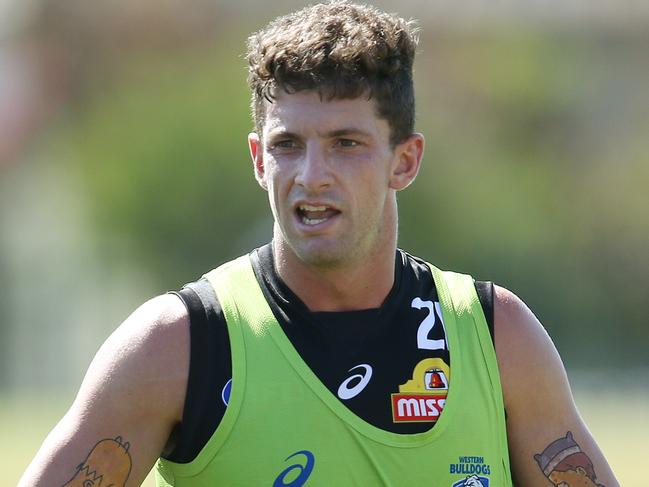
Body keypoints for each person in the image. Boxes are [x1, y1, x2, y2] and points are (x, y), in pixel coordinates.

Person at [20, 2, 619, 486]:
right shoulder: (176, 347)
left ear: (404, 161)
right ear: (258, 159)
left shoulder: (496, 337)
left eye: (346, 143)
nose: (311, 175)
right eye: (288, 145)